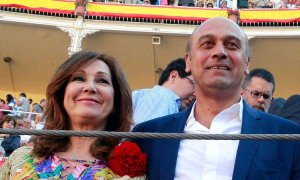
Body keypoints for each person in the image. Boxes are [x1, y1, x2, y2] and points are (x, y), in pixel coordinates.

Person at [133, 17, 300, 179]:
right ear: (188, 61)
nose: (219, 52)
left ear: (247, 63)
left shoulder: (289, 139)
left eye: (232, 45)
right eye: (207, 44)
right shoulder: (148, 137)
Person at [0, 51, 146, 179]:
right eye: (79, 78)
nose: (90, 87)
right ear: (61, 93)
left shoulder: (130, 175)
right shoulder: (21, 158)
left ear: (116, 100)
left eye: (102, 81)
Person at [132, 58, 195, 125]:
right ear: (174, 75)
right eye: (194, 85)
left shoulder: (144, 96)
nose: (196, 94)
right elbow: (148, 133)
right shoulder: (163, 97)